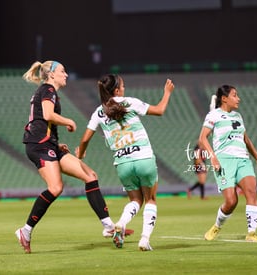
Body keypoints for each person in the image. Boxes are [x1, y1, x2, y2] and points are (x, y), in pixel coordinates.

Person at [15, 60, 121, 253]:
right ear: (52, 74)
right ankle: (26, 231)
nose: (66, 75)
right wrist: (68, 121)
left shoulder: (49, 92)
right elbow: (47, 115)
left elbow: (42, 119)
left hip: (49, 144)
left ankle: (108, 226)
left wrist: (55, 142)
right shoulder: (47, 90)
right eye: (62, 71)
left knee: (90, 176)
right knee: (55, 188)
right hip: (39, 145)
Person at [76, 74, 175, 251]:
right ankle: (144, 239)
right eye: (122, 86)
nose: (124, 88)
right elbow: (159, 110)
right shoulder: (129, 102)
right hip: (143, 157)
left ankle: (121, 223)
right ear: (116, 90)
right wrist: (167, 92)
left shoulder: (99, 112)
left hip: (122, 163)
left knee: (135, 200)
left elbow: (84, 140)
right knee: (150, 199)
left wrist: (81, 154)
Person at [199, 85, 257, 242]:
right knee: (231, 201)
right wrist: (213, 157)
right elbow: (202, 138)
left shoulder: (238, 116)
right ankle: (216, 226)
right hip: (224, 161)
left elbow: (245, 139)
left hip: (243, 159)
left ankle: (251, 234)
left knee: (251, 193)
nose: (239, 99)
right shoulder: (213, 115)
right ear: (224, 98)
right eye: (235, 95)